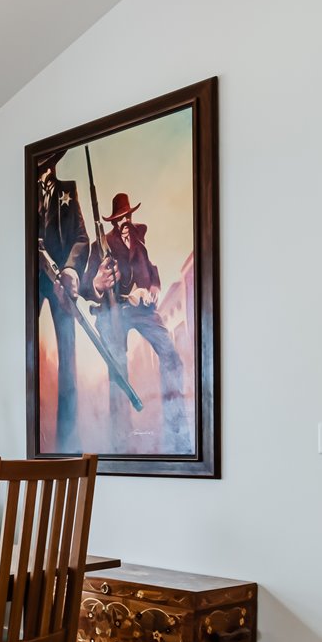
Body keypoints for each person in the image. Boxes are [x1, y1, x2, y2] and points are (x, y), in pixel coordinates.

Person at [89, 192, 189, 452]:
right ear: (113, 221)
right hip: (117, 309)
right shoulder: (103, 244)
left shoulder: (137, 238)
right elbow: (93, 280)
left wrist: (154, 286)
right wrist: (107, 287)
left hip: (144, 308)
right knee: (118, 370)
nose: (124, 220)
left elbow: (150, 267)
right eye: (119, 217)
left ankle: (177, 430)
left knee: (171, 356)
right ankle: (121, 442)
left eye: (127, 215)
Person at [34, 156, 90, 452]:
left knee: (67, 352)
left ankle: (67, 443)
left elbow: (81, 237)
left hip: (58, 277)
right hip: (29, 282)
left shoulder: (66, 191)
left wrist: (69, 269)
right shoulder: (18, 193)